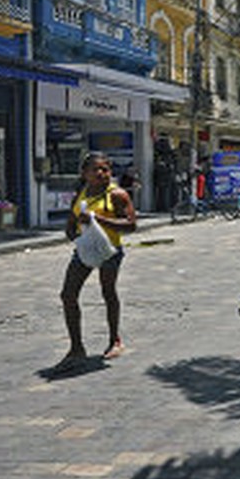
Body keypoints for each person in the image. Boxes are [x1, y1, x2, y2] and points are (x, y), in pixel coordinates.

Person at [55, 152, 138, 372]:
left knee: (108, 292)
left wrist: (98, 219)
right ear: (85, 173)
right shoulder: (80, 196)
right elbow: (70, 226)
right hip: (85, 251)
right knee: (68, 294)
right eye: (96, 169)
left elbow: (131, 225)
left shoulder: (117, 195)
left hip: (110, 251)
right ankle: (76, 347)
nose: (101, 173)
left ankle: (114, 340)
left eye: (105, 169)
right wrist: (78, 238)